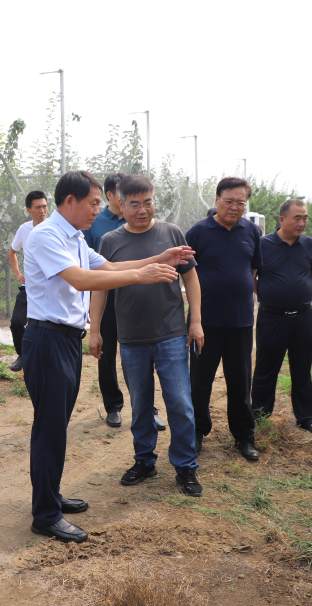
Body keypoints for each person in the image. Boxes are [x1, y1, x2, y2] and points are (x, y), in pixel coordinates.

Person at [23, 170, 193, 543]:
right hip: (48, 340)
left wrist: (158, 258)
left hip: (66, 340)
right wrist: (142, 275)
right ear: (71, 201)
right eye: (94, 203)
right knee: (49, 428)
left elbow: (110, 267)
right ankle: (45, 515)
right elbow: (82, 280)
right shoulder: (46, 235)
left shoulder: (74, 237)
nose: (99, 209)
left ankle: (50, 496)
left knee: (56, 426)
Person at [89, 175, 204, 497]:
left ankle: (185, 467)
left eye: (148, 202)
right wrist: (95, 330)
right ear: (121, 204)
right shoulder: (109, 241)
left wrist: (195, 321)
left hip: (171, 334)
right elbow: (99, 287)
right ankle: (144, 461)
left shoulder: (171, 233)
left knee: (179, 403)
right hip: (131, 338)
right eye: (135, 204)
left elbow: (191, 279)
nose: (142, 210)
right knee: (140, 404)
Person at [185, 177, 263, 461]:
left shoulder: (251, 231)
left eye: (240, 202)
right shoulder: (198, 232)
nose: (234, 207)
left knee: (240, 382)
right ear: (217, 200)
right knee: (200, 380)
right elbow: (186, 273)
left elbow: (253, 269)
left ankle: (244, 436)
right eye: (229, 201)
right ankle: (196, 431)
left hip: (240, 321)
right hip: (204, 322)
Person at [83, 173, 164, 431]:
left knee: (143, 354)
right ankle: (113, 406)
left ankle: (149, 408)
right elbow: (89, 266)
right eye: (127, 197)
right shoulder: (95, 223)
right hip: (108, 296)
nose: (138, 206)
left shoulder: (143, 221)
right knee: (106, 354)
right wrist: (92, 312)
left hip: (138, 299)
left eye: (143, 201)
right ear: (113, 196)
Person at [251, 199, 312, 435]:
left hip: (303, 317)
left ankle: (306, 418)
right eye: (297, 218)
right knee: (266, 369)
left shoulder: (309, 244)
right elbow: (252, 277)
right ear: (282, 219)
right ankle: (259, 415)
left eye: (305, 218)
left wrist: (296, 291)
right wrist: (270, 294)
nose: (302, 223)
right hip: (272, 318)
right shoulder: (263, 244)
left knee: (302, 369)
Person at [7, 190, 49, 372]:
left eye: (45, 206)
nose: (42, 210)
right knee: (17, 322)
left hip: (49, 288)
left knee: (45, 326)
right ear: (28, 210)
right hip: (29, 287)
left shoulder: (54, 228)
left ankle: (44, 358)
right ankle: (23, 355)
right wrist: (17, 273)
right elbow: (12, 252)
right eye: (38, 207)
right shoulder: (24, 229)